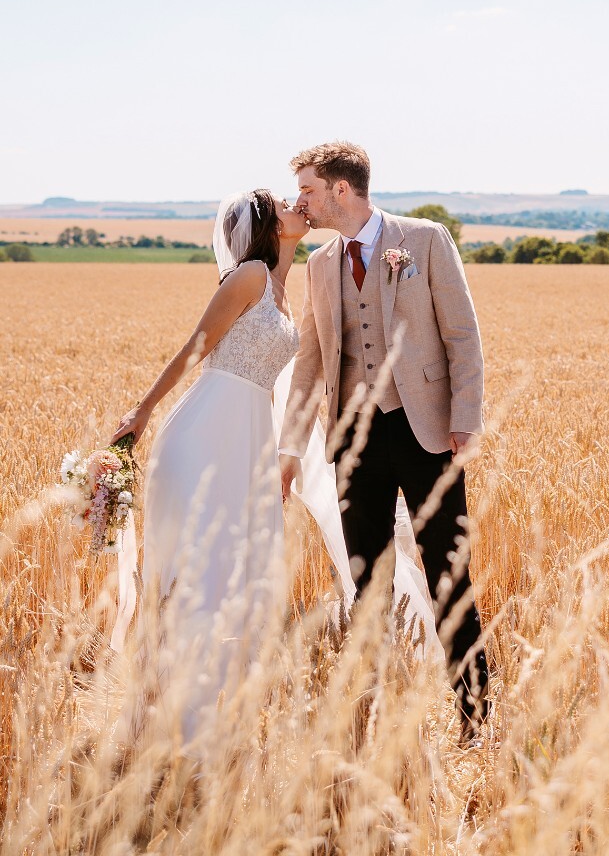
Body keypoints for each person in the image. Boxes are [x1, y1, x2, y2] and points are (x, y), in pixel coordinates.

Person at [279, 142, 488, 736]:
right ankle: (373, 718)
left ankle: (475, 715)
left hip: (427, 432)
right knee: (366, 579)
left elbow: (463, 335)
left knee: (448, 574)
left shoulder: (424, 240)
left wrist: (465, 420)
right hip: (353, 441)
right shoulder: (321, 263)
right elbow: (310, 361)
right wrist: (291, 446)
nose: (301, 201)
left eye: (308, 189)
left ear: (341, 190)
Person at [110, 189, 308, 738]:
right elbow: (195, 347)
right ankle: (172, 717)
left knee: (238, 562)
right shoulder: (248, 276)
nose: (297, 205)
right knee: (202, 566)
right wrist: (142, 411)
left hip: (248, 437)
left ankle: (214, 707)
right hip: (203, 435)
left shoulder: (281, 286)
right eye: (285, 203)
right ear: (269, 225)